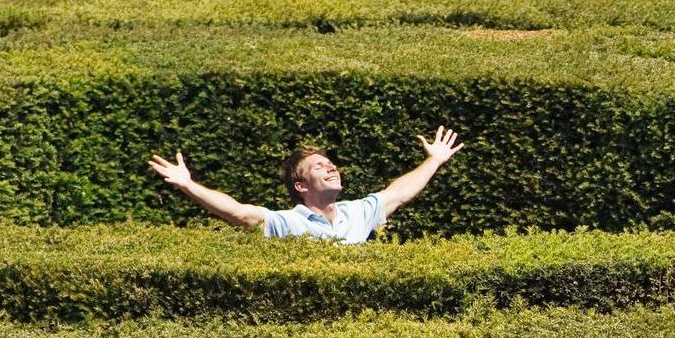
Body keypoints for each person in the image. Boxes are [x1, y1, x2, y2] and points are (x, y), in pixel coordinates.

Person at [146, 127, 463, 245]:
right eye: (319, 166)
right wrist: (188, 185)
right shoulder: (288, 222)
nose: (331, 167)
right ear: (301, 185)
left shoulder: (357, 212)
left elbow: (399, 192)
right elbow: (240, 214)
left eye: (330, 163)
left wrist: (433, 160)